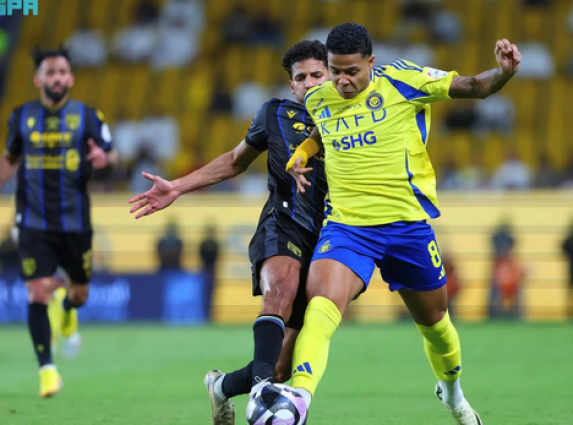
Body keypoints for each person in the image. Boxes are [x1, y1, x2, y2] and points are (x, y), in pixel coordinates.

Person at [285, 23, 521, 425]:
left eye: (352, 72)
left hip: (407, 227)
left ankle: (452, 392)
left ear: (371, 63)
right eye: (335, 71)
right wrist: (303, 153)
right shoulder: (319, 98)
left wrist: (503, 73)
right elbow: (323, 132)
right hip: (347, 227)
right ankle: (298, 400)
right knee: (321, 307)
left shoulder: (403, 81)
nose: (342, 81)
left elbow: (473, 87)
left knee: (436, 325)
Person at [128, 40, 329, 425]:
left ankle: (221, 386)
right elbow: (236, 161)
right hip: (282, 222)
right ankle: (261, 396)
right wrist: (178, 187)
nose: (308, 83)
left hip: (327, 237)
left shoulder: (352, 117)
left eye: (316, 75)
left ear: (331, 75)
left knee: (280, 367)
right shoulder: (274, 113)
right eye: (300, 77)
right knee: (280, 290)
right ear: (291, 85)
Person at [0, 46, 118, 398]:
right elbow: (10, 155)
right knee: (38, 290)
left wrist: (104, 158)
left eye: (62, 73)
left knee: (80, 293)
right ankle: (47, 370)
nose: (56, 78)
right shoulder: (21, 116)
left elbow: (112, 154)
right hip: (33, 219)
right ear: (38, 78)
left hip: (75, 221)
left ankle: (68, 310)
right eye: (50, 73)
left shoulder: (88, 116)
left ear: (70, 78)